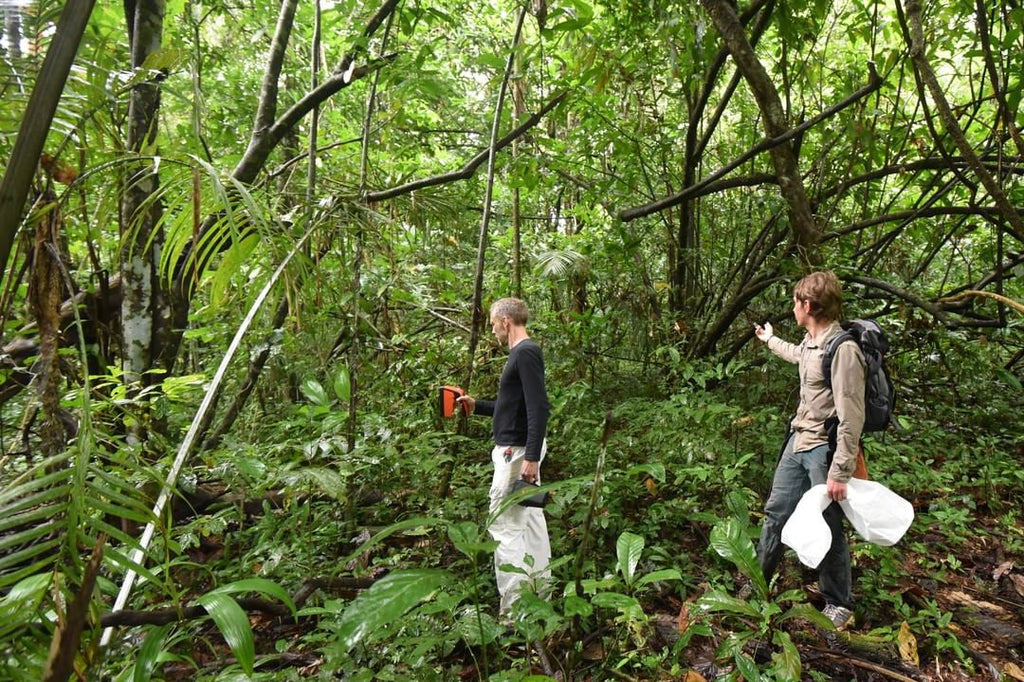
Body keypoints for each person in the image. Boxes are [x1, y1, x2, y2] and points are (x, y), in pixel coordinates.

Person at [752, 271, 865, 630]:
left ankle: (839, 602)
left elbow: (852, 416)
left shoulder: (842, 349)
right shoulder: (813, 342)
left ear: (809, 306)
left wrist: (840, 471)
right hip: (798, 440)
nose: (792, 307)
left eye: (796, 301)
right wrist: (770, 340)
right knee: (776, 512)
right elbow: (799, 356)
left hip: (823, 451)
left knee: (829, 523)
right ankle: (757, 584)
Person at [457, 297, 552, 616]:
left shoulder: (525, 353)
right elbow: (515, 408)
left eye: (494, 324)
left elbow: (539, 406)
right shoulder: (523, 354)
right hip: (521, 449)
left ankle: (515, 614)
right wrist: (478, 406)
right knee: (530, 523)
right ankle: (541, 599)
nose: (493, 330)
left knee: (505, 528)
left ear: (506, 322)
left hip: (517, 453)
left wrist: (532, 456)